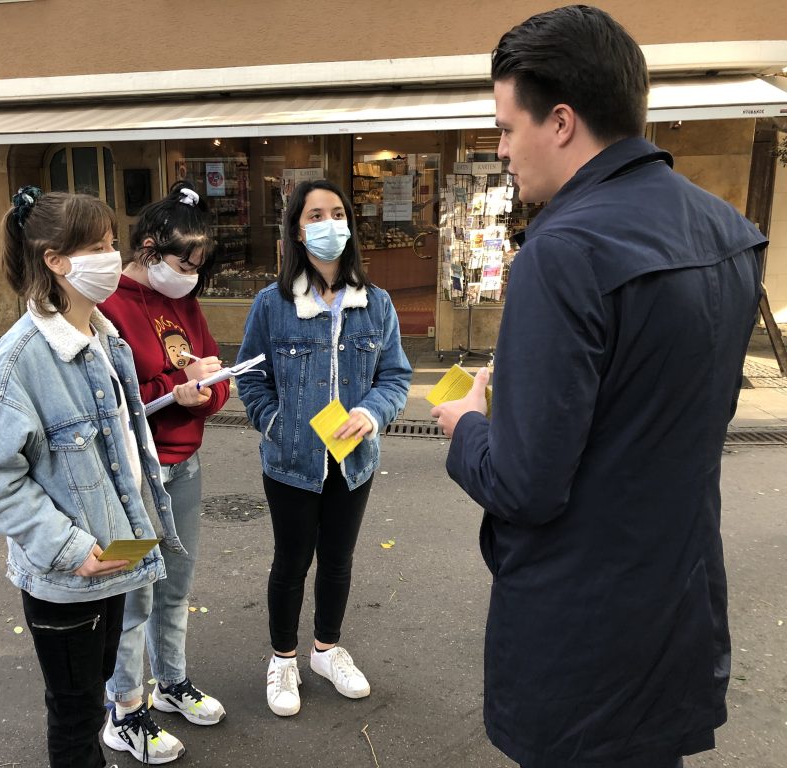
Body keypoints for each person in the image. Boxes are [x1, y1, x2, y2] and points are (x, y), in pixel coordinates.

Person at [431, 7, 767, 768]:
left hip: (580, 632)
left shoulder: (564, 250)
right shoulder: (728, 230)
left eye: (506, 128)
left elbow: (524, 484)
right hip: (677, 603)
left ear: (560, 122)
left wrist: (467, 424)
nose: (500, 149)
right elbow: (683, 411)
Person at [0, 187, 183, 768]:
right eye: (98, 247)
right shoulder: (22, 358)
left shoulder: (103, 336)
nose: (113, 257)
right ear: (55, 260)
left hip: (113, 557)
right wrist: (68, 547)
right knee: (75, 714)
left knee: (94, 689)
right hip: (69, 574)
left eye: (111, 243)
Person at [236, 179, 412, 717]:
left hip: (352, 460)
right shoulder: (272, 304)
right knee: (291, 563)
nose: (329, 223)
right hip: (291, 461)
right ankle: (283, 658)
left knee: (338, 560)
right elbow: (251, 377)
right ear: (297, 230)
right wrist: (276, 423)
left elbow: (395, 376)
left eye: (337, 213)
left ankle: (326, 650)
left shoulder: (376, 304)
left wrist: (371, 413)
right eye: (315, 215)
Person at [97, 182, 228, 764]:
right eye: (184, 264)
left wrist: (204, 391)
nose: (190, 278)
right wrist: (177, 390)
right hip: (130, 475)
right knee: (132, 595)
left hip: (184, 465)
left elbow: (213, 374)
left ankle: (171, 683)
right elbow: (111, 400)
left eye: (198, 268)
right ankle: (123, 710)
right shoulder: (108, 305)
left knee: (175, 586)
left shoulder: (184, 302)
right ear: (149, 248)